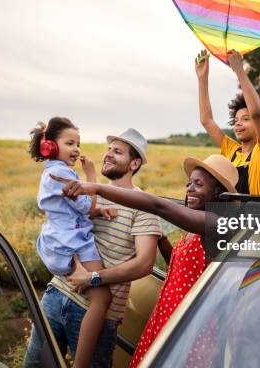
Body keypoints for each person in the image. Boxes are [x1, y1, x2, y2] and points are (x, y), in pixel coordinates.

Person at [54, 154, 238, 368]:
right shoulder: (194, 229)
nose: (189, 189)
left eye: (199, 184)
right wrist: (160, 238)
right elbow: (179, 269)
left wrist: (97, 188)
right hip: (169, 315)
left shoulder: (218, 224)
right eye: (189, 183)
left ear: (218, 192)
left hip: (191, 325)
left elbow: (158, 206)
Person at [24, 128, 164, 368]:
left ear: (134, 163)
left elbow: (144, 264)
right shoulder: (87, 191)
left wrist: (93, 278)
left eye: (117, 152)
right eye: (108, 149)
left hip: (98, 314)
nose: (108, 155)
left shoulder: (143, 206)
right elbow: (59, 223)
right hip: (57, 294)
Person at [27, 116, 113, 368]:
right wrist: (91, 175)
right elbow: (86, 206)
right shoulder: (64, 175)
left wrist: (98, 212)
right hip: (73, 243)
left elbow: (73, 209)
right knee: (103, 298)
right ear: (50, 146)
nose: (76, 149)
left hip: (56, 240)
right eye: (69, 143)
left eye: (78, 143)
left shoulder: (51, 172)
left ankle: (75, 274)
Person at [196, 49, 260, 195]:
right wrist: (202, 78)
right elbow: (207, 121)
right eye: (236, 120)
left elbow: (257, 114)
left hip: (252, 216)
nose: (238, 123)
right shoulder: (231, 150)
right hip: (227, 214)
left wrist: (239, 69)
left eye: (246, 119)